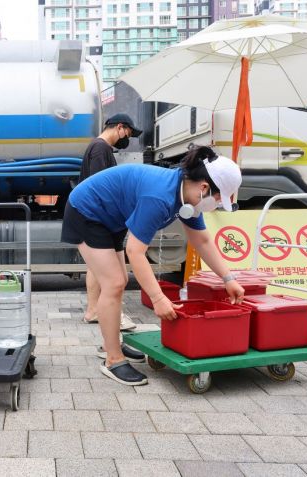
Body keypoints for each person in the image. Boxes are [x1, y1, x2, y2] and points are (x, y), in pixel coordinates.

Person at [61, 145, 245, 386]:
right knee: (114, 283)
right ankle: (113, 359)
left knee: (119, 282)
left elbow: (202, 240)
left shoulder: (188, 199)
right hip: (87, 211)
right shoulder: (159, 196)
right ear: (204, 188)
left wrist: (228, 279)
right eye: (220, 197)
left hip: (111, 217)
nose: (219, 203)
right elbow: (135, 252)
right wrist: (158, 299)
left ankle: (110, 344)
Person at [79, 114, 140, 333]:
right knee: (111, 271)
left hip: (96, 216)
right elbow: (100, 186)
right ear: (120, 127)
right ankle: (106, 312)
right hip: (100, 217)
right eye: (129, 134)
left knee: (96, 266)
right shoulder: (101, 149)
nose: (128, 139)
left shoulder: (98, 148)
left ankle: (93, 311)